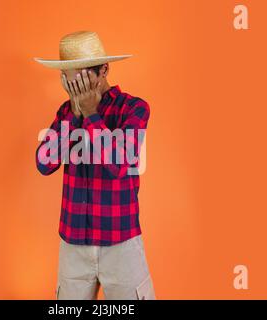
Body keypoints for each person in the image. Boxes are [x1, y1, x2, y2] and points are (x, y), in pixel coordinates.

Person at [34, 30, 155, 300]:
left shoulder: (134, 108)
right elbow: (44, 163)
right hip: (73, 242)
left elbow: (120, 165)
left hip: (120, 240)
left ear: (104, 70)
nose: (75, 83)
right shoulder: (66, 112)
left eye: (83, 75)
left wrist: (91, 114)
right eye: (68, 75)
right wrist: (76, 114)